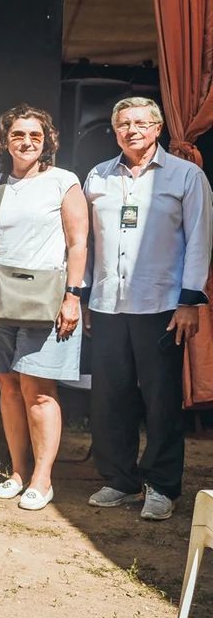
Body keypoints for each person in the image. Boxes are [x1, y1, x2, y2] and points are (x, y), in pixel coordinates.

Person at [83, 97, 212, 522]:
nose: (131, 129)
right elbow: (85, 243)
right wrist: (80, 295)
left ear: (158, 128)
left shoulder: (186, 176)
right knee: (110, 397)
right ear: (114, 130)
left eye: (141, 122)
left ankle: (161, 486)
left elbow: (200, 240)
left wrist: (191, 300)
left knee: (160, 400)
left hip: (161, 306)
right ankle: (120, 480)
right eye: (123, 123)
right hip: (107, 303)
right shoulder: (98, 176)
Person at [0, 105, 86, 511]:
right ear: (4, 140)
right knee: (8, 388)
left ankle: (42, 479)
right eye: (18, 135)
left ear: (46, 140)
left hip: (45, 298)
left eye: (34, 134)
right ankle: (17, 471)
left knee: (38, 391)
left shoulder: (63, 182)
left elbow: (78, 243)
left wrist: (73, 295)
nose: (27, 142)